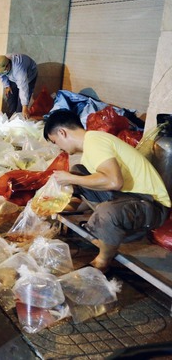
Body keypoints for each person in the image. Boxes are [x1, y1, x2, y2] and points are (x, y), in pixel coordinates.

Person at [44, 109, 171, 272]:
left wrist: (71, 179)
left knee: (106, 212)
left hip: (152, 205)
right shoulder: (91, 144)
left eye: (55, 142)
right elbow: (98, 182)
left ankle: (102, 262)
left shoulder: (95, 142)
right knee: (79, 170)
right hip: (129, 196)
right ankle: (100, 222)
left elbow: (114, 181)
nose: (58, 148)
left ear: (62, 132)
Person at [0, 54, 38, 119]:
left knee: (21, 105)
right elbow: (1, 75)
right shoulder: (0, 64)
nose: (2, 72)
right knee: (10, 95)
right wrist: (7, 85)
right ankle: (11, 118)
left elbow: (23, 88)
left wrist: (25, 106)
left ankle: (18, 119)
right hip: (12, 76)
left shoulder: (19, 70)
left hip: (29, 77)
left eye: (3, 70)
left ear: (8, 65)